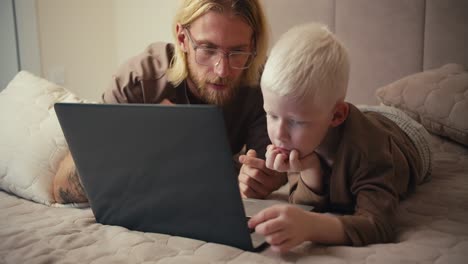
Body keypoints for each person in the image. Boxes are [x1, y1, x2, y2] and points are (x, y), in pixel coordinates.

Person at [53, 0, 287, 204]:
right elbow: (61, 187)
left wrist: (265, 178)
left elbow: (274, 167)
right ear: (182, 38)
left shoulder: (262, 83)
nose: (222, 70)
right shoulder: (139, 81)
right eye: (207, 49)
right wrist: (135, 142)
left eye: (237, 52)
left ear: (253, 45)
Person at [247, 23, 432, 253]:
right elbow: (308, 202)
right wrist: (311, 169)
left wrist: (310, 227)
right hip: (349, 117)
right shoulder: (296, 132)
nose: (279, 133)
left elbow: (378, 224)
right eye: (271, 115)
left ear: (336, 115)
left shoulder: (369, 153)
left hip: (405, 134)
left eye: (295, 121)